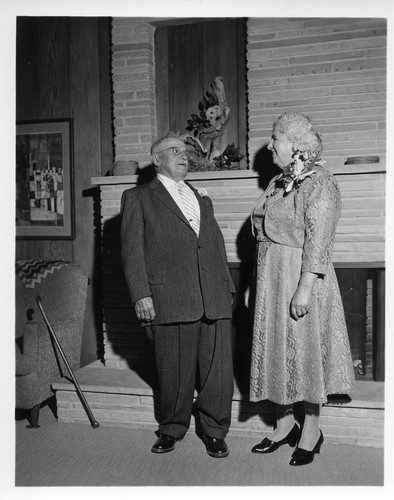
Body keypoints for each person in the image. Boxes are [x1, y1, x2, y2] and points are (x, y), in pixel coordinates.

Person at [249, 111, 355, 466]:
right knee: (277, 349)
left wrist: (304, 289)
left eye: (275, 137)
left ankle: (311, 429)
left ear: (294, 146)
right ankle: (283, 425)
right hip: (272, 276)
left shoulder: (320, 182)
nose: (270, 145)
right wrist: (256, 283)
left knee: (304, 350)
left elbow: (319, 242)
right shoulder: (279, 182)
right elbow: (262, 233)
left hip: (302, 276)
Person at [120, 134, 235, 458]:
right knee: (174, 369)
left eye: (185, 152)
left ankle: (214, 430)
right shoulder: (138, 197)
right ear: (156, 159)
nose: (183, 156)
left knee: (217, 371)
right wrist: (141, 295)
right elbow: (131, 252)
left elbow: (213, 245)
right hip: (170, 298)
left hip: (212, 294)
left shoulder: (201, 198)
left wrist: (226, 287)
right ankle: (172, 428)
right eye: (174, 151)